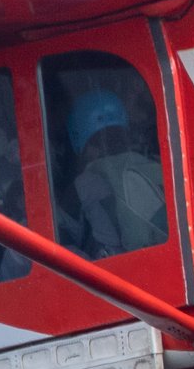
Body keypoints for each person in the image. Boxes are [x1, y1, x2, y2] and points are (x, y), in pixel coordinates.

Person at [63, 87, 167, 258]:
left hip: (117, 266)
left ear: (78, 137)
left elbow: (57, 229)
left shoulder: (84, 183)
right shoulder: (155, 165)